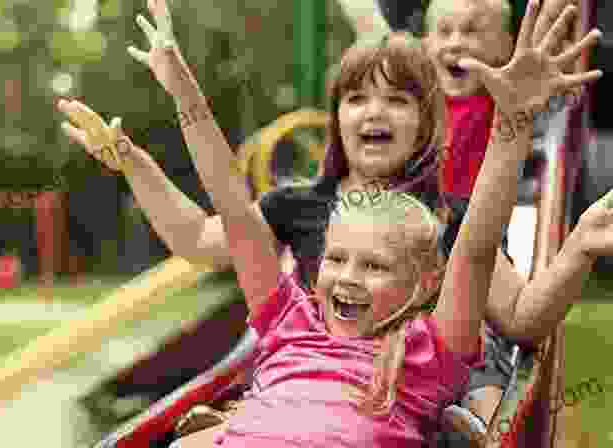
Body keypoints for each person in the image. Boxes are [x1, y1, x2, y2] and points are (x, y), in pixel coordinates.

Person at [57, 0, 602, 445]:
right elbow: (224, 218)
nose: (373, 113)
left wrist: (514, 132)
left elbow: (482, 256)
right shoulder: (295, 273)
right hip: (292, 379)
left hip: (403, 387)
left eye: (396, 101)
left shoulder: (438, 257)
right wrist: (154, 132)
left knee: (477, 394)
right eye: (357, 99)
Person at [420, 0, 584, 435]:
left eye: (472, 32)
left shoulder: (503, 100)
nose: (456, 44)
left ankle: (487, 420)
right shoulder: (414, 106)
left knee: (484, 345)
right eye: (444, 32)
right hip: (419, 236)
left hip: (481, 237)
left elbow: (542, 55)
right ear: (424, 44)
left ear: (507, 47)